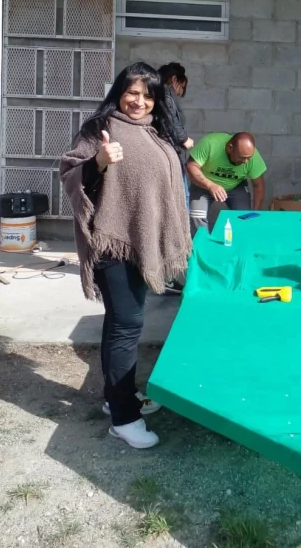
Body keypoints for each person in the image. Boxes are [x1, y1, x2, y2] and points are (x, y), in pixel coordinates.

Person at [60, 62, 191, 449]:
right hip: (111, 244)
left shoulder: (156, 130)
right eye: (132, 92)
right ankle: (123, 418)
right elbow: (69, 173)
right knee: (127, 325)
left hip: (142, 244)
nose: (139, 101)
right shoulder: (99, 128)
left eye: (147, 95)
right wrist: (98, 162)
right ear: (119, 91)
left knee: (120, 323)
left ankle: (115, 399)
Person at [186, 132, 267, 236]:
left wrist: (255, 212)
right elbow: (191, 166)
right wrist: (210, 185)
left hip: (235, 186)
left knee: (244, 218)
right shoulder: (210, 144)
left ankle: (238, 246)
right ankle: (203, 246)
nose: (246, 161)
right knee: (196, 216)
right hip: (204, 184)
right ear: (230, 148)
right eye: (242, 157)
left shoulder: (253, 157)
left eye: (248, 158)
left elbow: (258, 185)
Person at [158, 62, 193, 294]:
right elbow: (171, 123)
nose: (180, 93)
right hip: (169, 159)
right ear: (174, 80)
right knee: (176, 215)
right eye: (181, 87)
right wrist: (184, 140)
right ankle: (168, 276)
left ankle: (166, 273)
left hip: (166, 159)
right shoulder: (163, 93)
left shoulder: (155, 93)